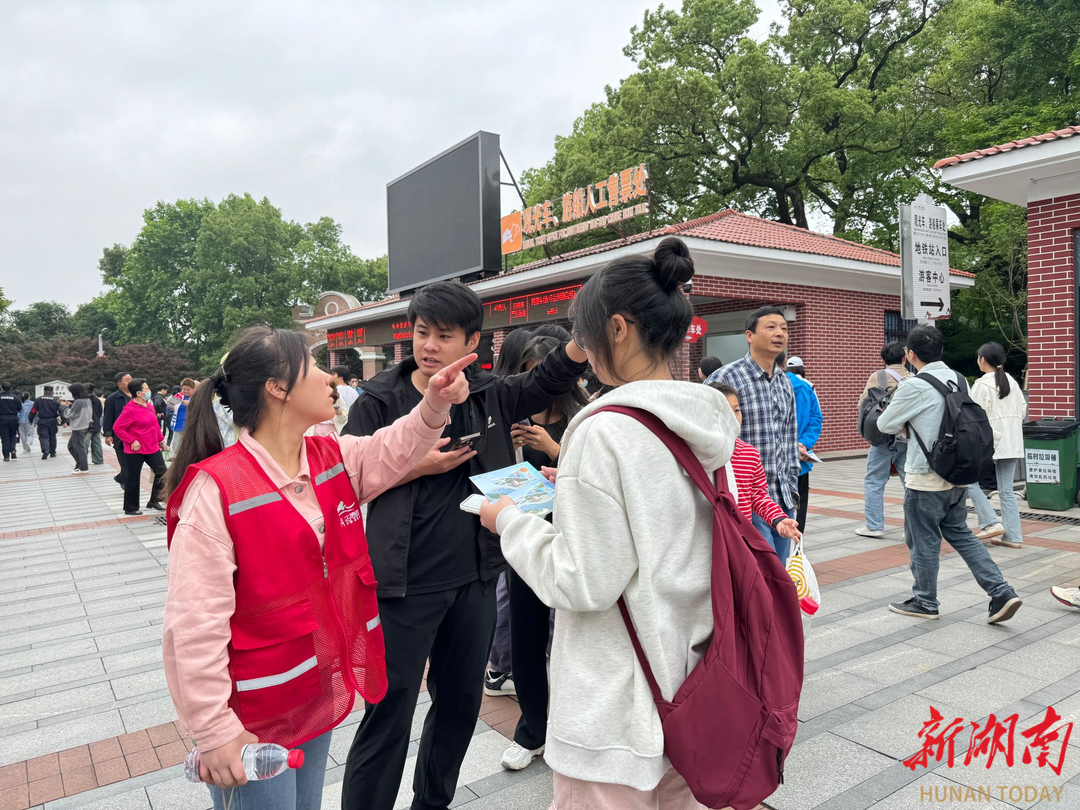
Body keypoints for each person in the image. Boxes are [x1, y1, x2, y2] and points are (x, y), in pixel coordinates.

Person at [162, 326, 474, 810]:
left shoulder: (329, 457)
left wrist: (434, 404)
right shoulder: (217, 491)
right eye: (312, 367)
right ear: (277, 388)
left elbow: (392, 448)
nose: (330, 377)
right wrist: (214, 730)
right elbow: (193, 625)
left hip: (311, 692)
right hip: (252, 718)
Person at [480, 236, 738, 806]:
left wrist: (510, 522)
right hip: (696, 686)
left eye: (585, 333)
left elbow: (582, 581)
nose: (582, 350)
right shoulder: (707, 420)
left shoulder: (605, 430)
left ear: (617, 329)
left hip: (618, 711)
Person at [340, 280, 589, 810]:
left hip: (475, 577)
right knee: (388, 712)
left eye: (444, 335)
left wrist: (584, 337)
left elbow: (549, 377)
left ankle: (433, 803)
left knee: (458, 705)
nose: (429, 346)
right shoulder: (380, 400)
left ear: (472, 342)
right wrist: (414, 466)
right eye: (421, 333)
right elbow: (346, 482)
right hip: (402, 583)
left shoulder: (489, 392)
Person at [877, 325, 1022, 623]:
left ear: (910, 355)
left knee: (923, 540)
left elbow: (884, 424)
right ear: (941, 350)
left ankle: (925, 601)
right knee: (962, 535)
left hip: (925, 476)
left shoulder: (913, 385)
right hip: (957, 472)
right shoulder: (959, 379)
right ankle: (1001, 591)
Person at [500, 334, 590, 771]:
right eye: (529, 374)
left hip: (576, 538)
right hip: (527, 536)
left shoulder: (585, 416)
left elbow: (594, 478)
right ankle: (532, 730)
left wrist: (553, 448)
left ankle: (579, 729)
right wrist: (512, 447)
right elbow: (499, 477)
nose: (538, 383)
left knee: (579, 637)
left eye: (544, 374)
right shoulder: (509, 412)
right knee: (526, 637)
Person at [705, 306, 799, 565]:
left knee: (780, 570)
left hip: (781, 497)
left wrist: (792, 487)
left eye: (784, 328)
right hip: (746, 500)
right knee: (758, 571)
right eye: (771, 327)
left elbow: (789, 437)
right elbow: (705, 434)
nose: (779, 333)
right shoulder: (726, 377)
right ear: (749, 335)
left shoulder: (785, 382)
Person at [485, 328, 533, 698]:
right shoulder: (499, 399)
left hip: (522, 504)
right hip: (503, 506)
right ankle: (499, 668)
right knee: (506, 588)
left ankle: (506, 663)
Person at [711, 383, 803, 541]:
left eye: (737, 410)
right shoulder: (697, 454)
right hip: (708, 539)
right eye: (724, 411)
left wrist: (778, 519)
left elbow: (758, 494)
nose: (733, 417)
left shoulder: (749, 454)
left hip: (741, 539)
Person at [966, 342, 1026, 549]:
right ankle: (1013, 537)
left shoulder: (981, 385)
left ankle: (990, 523)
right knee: (1006, 491)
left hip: (989, 442)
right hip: (1012, 442)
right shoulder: (1012, 382)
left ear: (982, 360)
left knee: (969, 483)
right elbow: (1022, 411)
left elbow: (973, 415)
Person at [856, 342, 911, 539]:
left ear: (883, 359)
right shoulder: (914, 378)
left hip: (883, 438)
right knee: (910, 484)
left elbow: (863, 403)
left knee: (874, 481)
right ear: (904, 358)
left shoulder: (878, 376)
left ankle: (874, 526)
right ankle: (912, 529)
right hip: (908, 438)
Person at [113, 378, 168, 514]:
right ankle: (131, 508)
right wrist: (132, 440)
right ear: (138, 393)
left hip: (152, 447)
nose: (149, 391)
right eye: (146, 388)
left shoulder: (149, 406)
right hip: (135, 450)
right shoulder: (130, 409)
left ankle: (154, 500)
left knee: (162, 473)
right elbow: (118, 427)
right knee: (133, 478)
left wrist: (161, 441)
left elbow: (155, 425)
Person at [785, 357, 822, 533]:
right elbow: (816, 418)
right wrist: (803, 444)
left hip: (770, 459)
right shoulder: (808, 387)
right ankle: (798, 537)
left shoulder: (765, 386)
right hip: (800, 457)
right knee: (800, 499)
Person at [104, 372, 134, 487]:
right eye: (127, 380)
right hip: (120, 436)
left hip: (135, 434)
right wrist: (108, 434)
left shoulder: (137, 396)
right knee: (124, 462)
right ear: (119, 383)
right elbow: (108, 417)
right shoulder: (112, 398)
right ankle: (126, 485)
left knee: (133, 463)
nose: (130, 381)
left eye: (131, 379)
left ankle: (121, 478)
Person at [62, 384, 93, 474]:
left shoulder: (78, 402)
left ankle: (83, 467)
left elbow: (70, 414)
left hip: (78, 427)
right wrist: (71, 405)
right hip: (85, 426)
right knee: (72, 447)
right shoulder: (87, 400)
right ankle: (79, 464)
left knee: (79, 448)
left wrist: (65, 407)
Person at [30, 386, 63, 460]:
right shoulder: (55, 400)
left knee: (43, 436)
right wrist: (63, 420)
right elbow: (60, 411)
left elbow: (33, 411)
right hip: (52, 420)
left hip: (42, 420)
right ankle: (52, 452)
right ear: (52, 391)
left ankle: (45, 450)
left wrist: (30, 419)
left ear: (44, 391)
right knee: (52, 436)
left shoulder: (39, 399)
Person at [168, 379, 196, 454]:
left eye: (188, 389)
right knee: (176, 446)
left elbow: (200, 408)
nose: (186, 391)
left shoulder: (196, 397)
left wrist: (190, 405)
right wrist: (170, 408)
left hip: (191, 426)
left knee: (190, 446)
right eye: (184, 389)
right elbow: (168, 408)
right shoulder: (178, 396)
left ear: (193, 389)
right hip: (178, 425)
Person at [0, 383, 21, 461]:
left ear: (1, 388)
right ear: (11, 388)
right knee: (12, 435)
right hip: (13, 418)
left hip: (2, 418)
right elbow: (19, 408)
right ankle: (12, 450)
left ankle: (6, 456)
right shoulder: (15, 397)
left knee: (5, 437)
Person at [86, 383, 105, 465]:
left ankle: (82, 461)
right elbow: (100, 412)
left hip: (87, 425)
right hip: (96, 423)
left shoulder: (85, 400)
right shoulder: (96, 399)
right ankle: (98, 459)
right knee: (97, 443)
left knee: (84, 443)